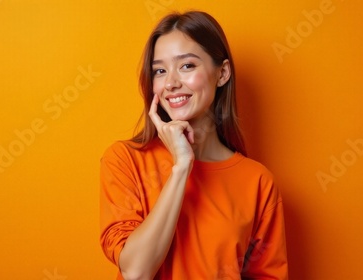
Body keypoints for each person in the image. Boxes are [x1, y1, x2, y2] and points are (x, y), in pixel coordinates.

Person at [100, 10, 288, 279]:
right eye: (160, 71)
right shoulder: (124, 160)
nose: (171, 83)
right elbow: (136, 272)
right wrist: (182, 166)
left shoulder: (258, 182)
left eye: (187, 66)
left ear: (222, 73)